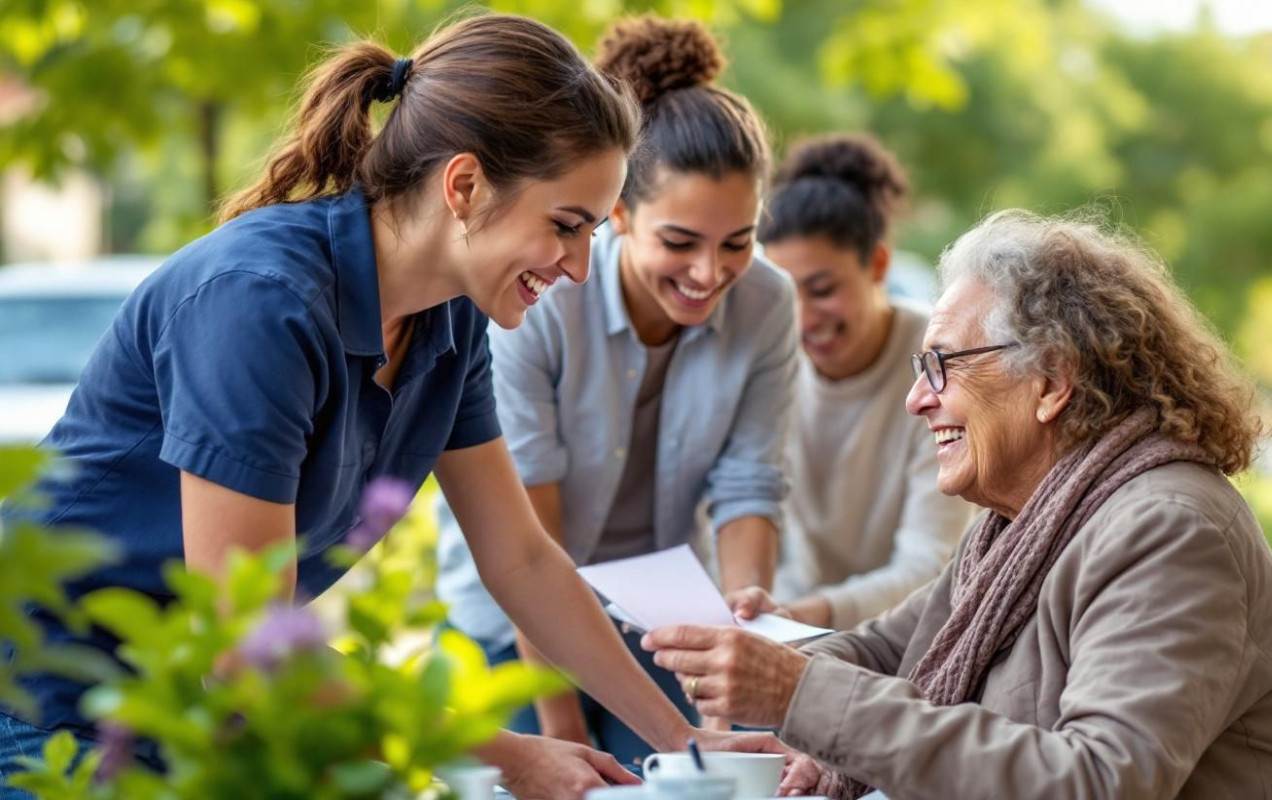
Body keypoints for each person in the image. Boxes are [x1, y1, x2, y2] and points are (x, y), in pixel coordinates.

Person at [0, 14, 782, 800]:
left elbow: (522, 559)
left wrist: (685, 741)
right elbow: (248, 643)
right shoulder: (261, 304)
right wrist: (503, 753)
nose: (581, 266)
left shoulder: (451, 318)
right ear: (466, 186)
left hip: (182, 708)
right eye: (566, 226)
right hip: (45, 701)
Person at [642, 209, 1272, 798]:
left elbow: (1099, 782)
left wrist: (800, 695)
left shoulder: (1167, 529)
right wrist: (760, 667)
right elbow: (889, 651)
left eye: (942, 365)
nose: (918, 399)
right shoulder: (1023, 526)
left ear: (1050, 381)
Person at [434, 15, 796, 763]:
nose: (710, 273)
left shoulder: (768, 303)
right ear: (621, 213)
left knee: (711, 767)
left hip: (656, 626)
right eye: (680, 242)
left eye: (738, 241)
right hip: (511, 623)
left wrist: (742, 629)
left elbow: (747, 485)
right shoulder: (535, 296)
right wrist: (562, 741)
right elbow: (529, 555)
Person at [756, 134, 970, 631]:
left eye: (823, 289)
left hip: (921, 629)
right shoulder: (770, 364)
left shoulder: (939, 361)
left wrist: (809, 613)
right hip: (802, 624)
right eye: (783, 293)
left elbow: (931, 566)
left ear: (877, 264)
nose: (803, 317)